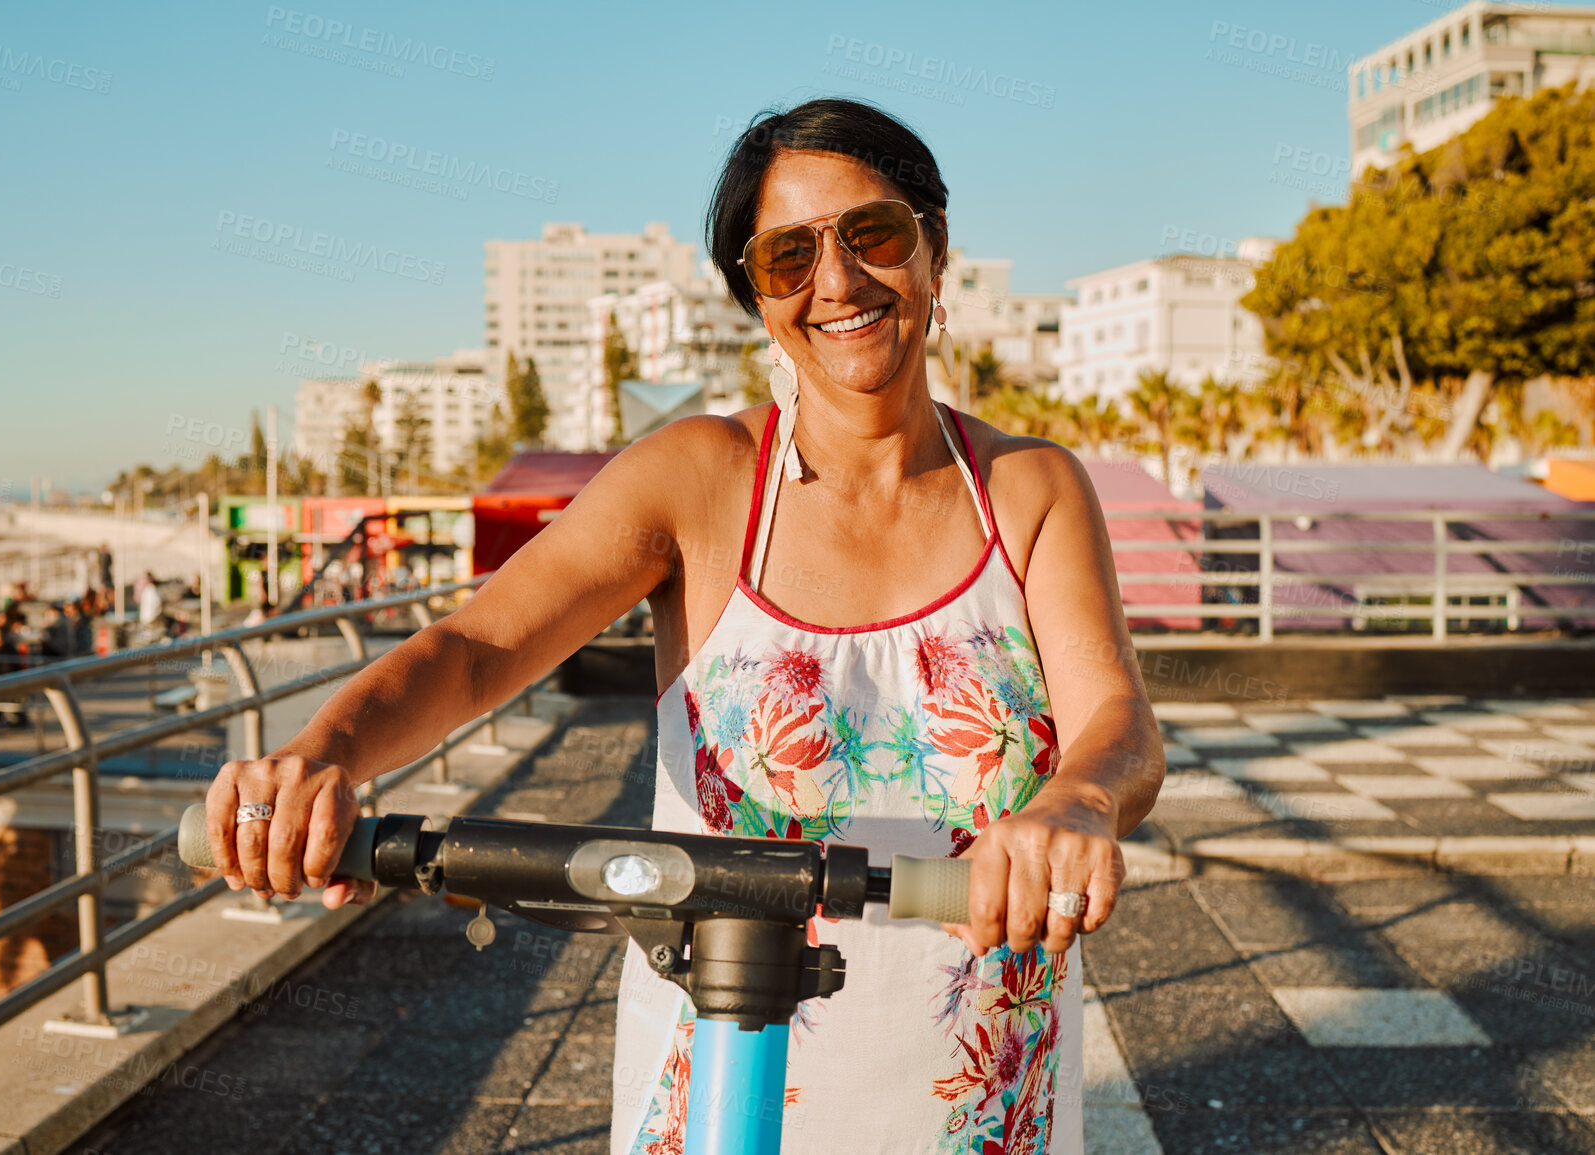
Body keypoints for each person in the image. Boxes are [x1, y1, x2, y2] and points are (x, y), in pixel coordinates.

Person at [205, 97, 1163, 1153]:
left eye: (873, 234)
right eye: (787, 257)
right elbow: (478, 649)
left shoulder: (1028, 491)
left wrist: (1077, 803)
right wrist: (320, 755)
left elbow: (1115, 719)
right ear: (757, 298)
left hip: (987, 1111)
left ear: (936, 250)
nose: (836, 283)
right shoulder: (697, 482)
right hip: (722, 1107)